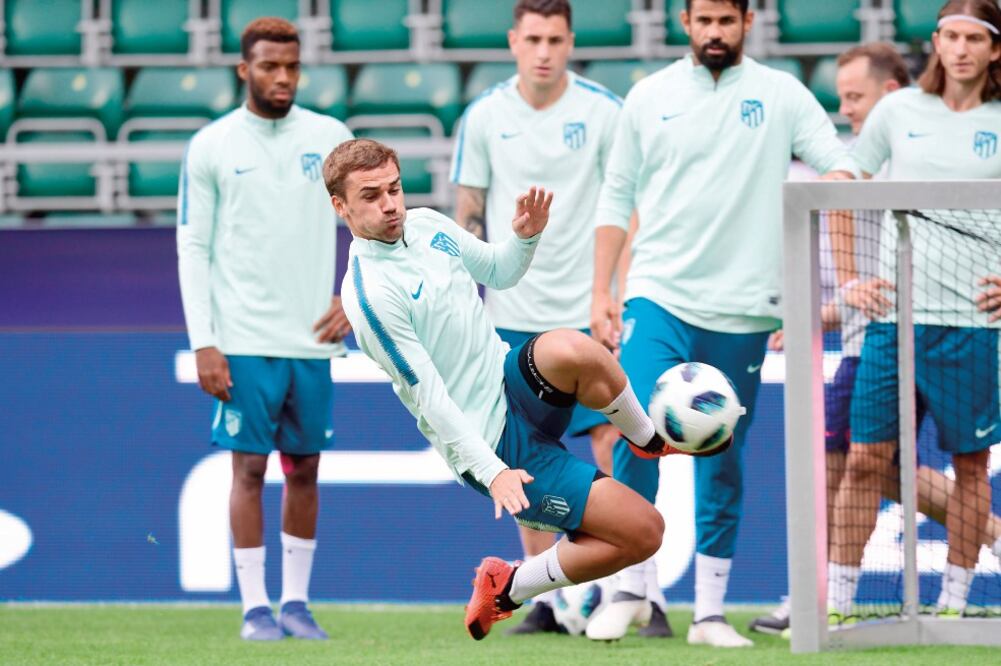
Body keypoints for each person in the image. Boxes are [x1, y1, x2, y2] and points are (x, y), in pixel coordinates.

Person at [330, 138, 719, 641]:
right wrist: (492, 474)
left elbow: (499, 272)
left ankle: (647, 440)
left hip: (510, 379)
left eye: (395, 189)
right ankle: (510, 585)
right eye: (371, 196)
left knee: (573, 348)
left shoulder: (426, 224)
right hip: (494, 441)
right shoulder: (368, 295)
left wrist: (524, 239)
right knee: (646, 532)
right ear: (340, 206)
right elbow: (430, 398)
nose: (390, 204)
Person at [585, 0, 857, 647]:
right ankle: (628, 587)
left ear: (745, 22)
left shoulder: (780, 95)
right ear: (684, 21)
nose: (714, 32)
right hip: (658, 293)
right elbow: (616, 195)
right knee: (636, 433)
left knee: (719, 456)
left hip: (743, 307)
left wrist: (841, 185)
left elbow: (835, 164)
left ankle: (708, 614)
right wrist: (601, 289)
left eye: (725, 21)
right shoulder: (648, 97)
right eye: (703, 20)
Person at [751, 41, 1001, 635]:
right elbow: (836, 216)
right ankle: (818, 595)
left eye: (856, 97)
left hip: (911, 335)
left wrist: (828, 310)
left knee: (854, 464)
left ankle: (813, 596)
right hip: (875, 338)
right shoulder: (863, 153)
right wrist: (836, 302)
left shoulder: (918, 153)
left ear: (891, 94)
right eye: (841, 99)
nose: (847, 110)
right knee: (853, 464)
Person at [449, 0, 661, 636]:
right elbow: (468, 210)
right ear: (514, 41)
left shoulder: (603, 111)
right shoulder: (483, 115)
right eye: (533, 38)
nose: (544, 50)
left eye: (556, 39)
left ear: (571, 42)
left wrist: (614, 291)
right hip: (511, 319)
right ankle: (540, 596)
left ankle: (632, 594)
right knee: (523, 460)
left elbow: (627, 205)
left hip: (585, 313)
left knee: (612, 441)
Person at [176, 17, 353, 641]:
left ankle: (297, 604)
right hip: (243, 341)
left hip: (312, 340)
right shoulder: (212, 146)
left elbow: (377, 226)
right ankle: (255, 608)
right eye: (270, 66)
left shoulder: (331, 137)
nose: (283, 77)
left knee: (304, 469)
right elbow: (192, 246)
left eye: (292, 66)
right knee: (248, 470)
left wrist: (353, 301)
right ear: (243, 69)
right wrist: (205, 340)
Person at [829, 0, 1001, 620]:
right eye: (949, 36)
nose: (960, 49)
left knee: (969, 465)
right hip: (893, 319)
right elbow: (841, 182)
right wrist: (848, 279)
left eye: (973, 38)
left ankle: (954, 603)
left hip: (975, 323)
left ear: (994, 50)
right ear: (935, 42)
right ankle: (839, 606)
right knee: (867, 459)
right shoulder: (900, 111)